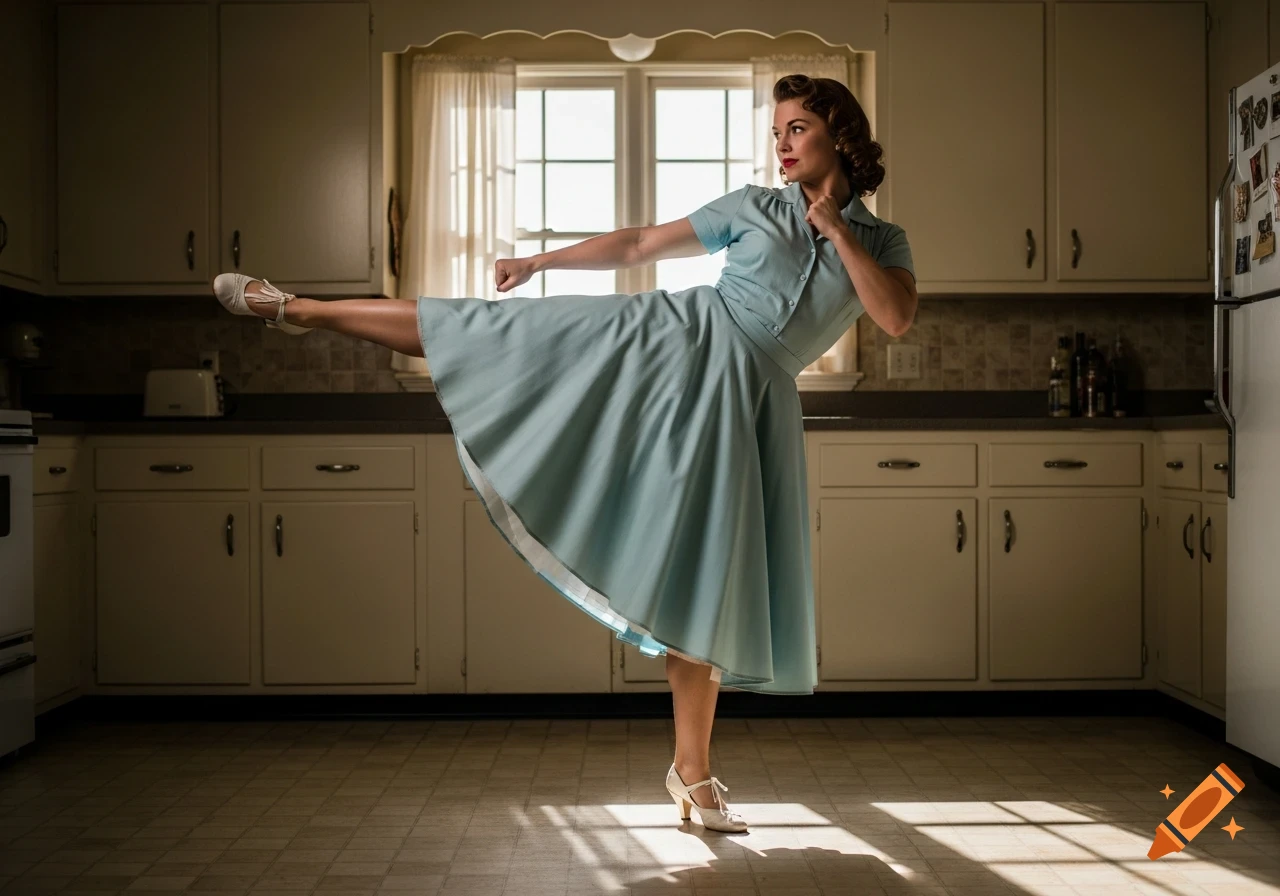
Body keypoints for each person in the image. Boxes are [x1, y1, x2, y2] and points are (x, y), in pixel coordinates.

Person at [212, 74, 918, 833]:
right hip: (670, 348)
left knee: (708, 579)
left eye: (797, 128)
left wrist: (838, 232)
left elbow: (895, 317)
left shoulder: (882, 241)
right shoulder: (751, 207)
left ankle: (694, 774)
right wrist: (541, 264)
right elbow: (643, 243)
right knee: (489, 330)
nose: (780, 145)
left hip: (752, 403)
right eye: (776, 130)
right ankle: (300, 308)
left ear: (839, 136)